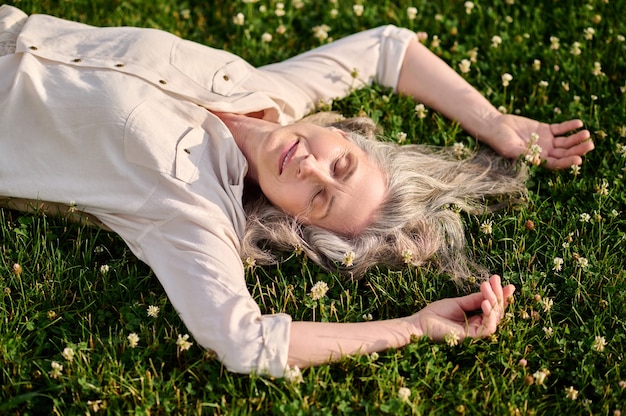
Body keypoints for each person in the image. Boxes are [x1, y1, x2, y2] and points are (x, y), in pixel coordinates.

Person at [0, 5, 593, 377]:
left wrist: (412, 326)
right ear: (343, 135)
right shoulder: (267, 91)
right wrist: (492, 123)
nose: (310, 166)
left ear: (292, 222)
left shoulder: (192, 209)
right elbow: (388, 49)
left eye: (318, 199)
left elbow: (245, 342)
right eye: (342, 163)